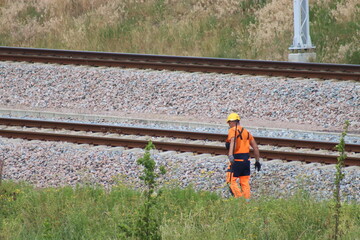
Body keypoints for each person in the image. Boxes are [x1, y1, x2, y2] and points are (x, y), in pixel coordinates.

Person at [225, 112, 261, 200]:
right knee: (244, 182)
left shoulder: (232, 130)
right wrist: (257, 161)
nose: (229, 125)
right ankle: (247, 202)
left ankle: (239, 199)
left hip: (236, 159)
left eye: (229, 123)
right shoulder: (246, 132)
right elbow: (255, 147)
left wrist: (230, 155)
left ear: (233, 122)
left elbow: (233, 141)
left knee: (230, 181)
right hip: (246, 160)